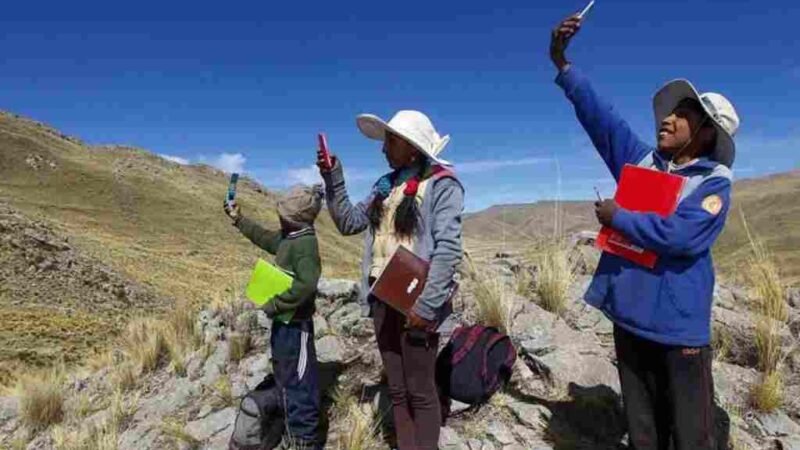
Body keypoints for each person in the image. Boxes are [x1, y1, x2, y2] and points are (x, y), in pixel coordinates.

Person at [550, 14, 740, 450]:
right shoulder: (642, 164)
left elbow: (682, 237)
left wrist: (620, 218)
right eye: (670, 112)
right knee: (643, 430)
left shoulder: (713, 184)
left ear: (707, 133)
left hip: (678, 332)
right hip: (630, 320)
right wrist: (562, 63)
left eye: (684, 115)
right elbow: (603, 120)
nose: (668, 120)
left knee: (691, 435)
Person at [318, 110, 464, 450]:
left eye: (391, 140)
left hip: (418, 302)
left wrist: (427, 307)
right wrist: (333, 177)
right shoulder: (384, 187)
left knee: (421, 390)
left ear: (412, 147)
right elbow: (350, 222)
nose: (383, 148)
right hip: (384, 298)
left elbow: (447, 249)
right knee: (397, 389)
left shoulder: (443, 184)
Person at [224, 184, 324, 450]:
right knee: (285, 375)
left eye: (283, 214)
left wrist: (275, 304)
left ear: (293, 217)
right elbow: (265, 238)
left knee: (300, 383)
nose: (279, 217)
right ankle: (288, 427)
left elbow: (306, 285)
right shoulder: (290, 237)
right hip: (283, 324)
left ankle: (305, 440)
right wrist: (239, 220)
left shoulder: (305, 243)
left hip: (297, 326)